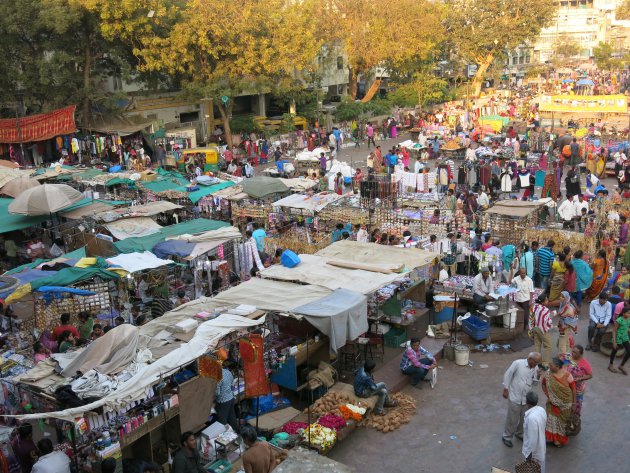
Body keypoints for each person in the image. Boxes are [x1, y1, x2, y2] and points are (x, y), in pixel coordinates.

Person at [501, 352, 542, 448]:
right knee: (512, 419)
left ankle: (519, 434)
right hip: (515, 396)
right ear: (530, 359)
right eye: (535, 362)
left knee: (524, 418)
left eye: (537, 362)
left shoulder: (535, 368)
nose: (536, 364)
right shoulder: (518, 363)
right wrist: (506, 388)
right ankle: (506, 437)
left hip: (526, 399)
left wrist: (538, 376)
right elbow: (508, 374)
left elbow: (535, 384)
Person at [541, 357, 576, 448]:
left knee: (561, 422)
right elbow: (543, 384)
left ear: (557, 367)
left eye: (551, 365)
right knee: (552, 420)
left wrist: (574, 403)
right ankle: (555, 439)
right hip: (552, 403)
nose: (549, 366)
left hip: (566, 404)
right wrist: (549, 396)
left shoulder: (568, 375)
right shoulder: (548, 374)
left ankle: (560, 438)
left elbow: (573, 389)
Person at [522, 391, 547, 473]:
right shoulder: (541, 410)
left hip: (534, 453)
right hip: (541, 446)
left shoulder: (531, 418)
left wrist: (529, 455)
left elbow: (532, 439)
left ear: (527, 402)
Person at [564, 344, 592, 417]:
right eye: (572, 351)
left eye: (575, 353)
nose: (573, 354)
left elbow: (590, 375)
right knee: (566, 403)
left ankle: (574, 420)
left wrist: (579, 379)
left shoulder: (584, 363)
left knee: (576, 405)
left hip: (578, 388)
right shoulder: (568, 357)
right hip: (567, 386)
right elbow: (563, 366)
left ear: (581, 354)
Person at [530, 294, 554, 364]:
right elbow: (548, 321)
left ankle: (536, 361)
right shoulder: (546, 310)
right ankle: (545, 363)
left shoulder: (535, 306)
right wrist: (552, 315)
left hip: (535, 328)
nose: (548, 301)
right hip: (542, 330)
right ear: (543, 302)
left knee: (537, 344)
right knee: (548, 346)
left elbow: (531, 317)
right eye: (546, 300)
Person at [215, 365, 239, 432]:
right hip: (230, 398)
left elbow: (217, 393)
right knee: (232, 417)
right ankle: (236, 432)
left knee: (222, 420)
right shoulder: (227, 371)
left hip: (223, 401)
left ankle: (224, 436)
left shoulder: (218, 376)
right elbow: (232, 383)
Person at [608, 303, 630, 375]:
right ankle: (610, 365)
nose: (629, 314)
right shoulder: (619, 320)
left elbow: (627, 327)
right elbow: (614, 331)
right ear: (623, 313)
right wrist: (614, 342)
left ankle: (621, 365)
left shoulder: (629, 319)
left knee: (629, 351)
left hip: (625, 337)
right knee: (614, 351)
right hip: (618, 338)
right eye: (628, 313)